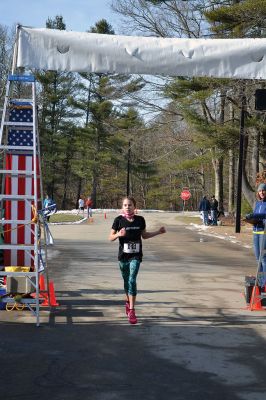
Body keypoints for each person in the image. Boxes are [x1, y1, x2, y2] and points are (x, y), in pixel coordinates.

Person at [109, 196, 166, 325]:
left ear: (135, 207)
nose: (127, 207)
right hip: (123, 256)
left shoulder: (140, 220)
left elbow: (144, 236)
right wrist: (118, 234)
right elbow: (110, 237)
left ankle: (132, 310)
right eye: (125, 205)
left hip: (136, 256)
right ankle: (128, 302)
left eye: (130, 205)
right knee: (126, 282)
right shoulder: (118, 220)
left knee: (132, 280)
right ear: (122, 207)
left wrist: (158, 232)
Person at [245, 183, 266, 286]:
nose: (261, 192)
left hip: (263, 233)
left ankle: (264, 282)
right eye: (260, 191)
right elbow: (257, 216)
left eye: (263, 190)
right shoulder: (257, 204)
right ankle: (261, 281)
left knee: (263, 258)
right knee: (258, 258)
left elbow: (264, 214)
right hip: (255, 232)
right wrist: (250, 218)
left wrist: (255, 215)